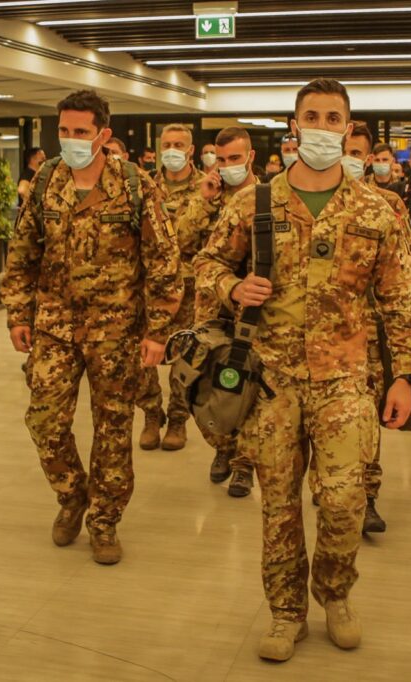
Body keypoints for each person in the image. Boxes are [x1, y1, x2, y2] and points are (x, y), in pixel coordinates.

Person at [194, 78, 411, 662]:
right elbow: (207, 263)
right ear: (294, 126)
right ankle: (285, 611)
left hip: (346, 377)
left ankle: (335, 592)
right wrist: (231, 286)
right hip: (270, 377)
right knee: (279, 504)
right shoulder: (254, 202)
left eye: (333, 118)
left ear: (348, 128)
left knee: (346, 500)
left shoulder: (376, 209)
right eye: (312, 117)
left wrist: (406, 375)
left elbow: (401, 298)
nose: (322, 127)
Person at [0, 89, 183, 566]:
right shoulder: (46, 181)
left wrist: (158, 331)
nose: (71, 139)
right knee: (44, 421)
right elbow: (22, 253)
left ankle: (104, 520)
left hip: (116, 331)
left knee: (113, 428)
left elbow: (164, 261)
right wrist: (18, 313)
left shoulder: (136, 185)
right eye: (64, 130)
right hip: (54, 328)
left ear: (103, 134)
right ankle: (71, 496)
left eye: (81, 131)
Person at [343, 119, 411, 534]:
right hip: (312, 339)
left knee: (365, 418)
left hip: (368, 335)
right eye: (343, 150)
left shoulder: (385, 205)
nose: (347, 158)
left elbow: (410, 271)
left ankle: (367, 496)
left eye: (356, 153)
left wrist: (408, 351)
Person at [177, 126, 258, 496]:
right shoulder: (209, 196)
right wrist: (204, 201)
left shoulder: (267, 198)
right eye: (221, 160)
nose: (227, 166)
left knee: (249, 387)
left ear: (250, 157)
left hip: (251, 312)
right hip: (211, 308)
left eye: (235, 158)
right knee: (213, 383)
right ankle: (222, 446)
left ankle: (244, 465)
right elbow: (181, 242)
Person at [137, 124, 206, 452]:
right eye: (167, 144)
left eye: (179, 145)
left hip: (189, 286)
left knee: (184, 357)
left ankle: (178, 418)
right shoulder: (145, 185)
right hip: (150, 285)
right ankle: (152, 414)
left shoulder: (206, 187)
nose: (172, 150)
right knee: (143, 353)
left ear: (191, 150)